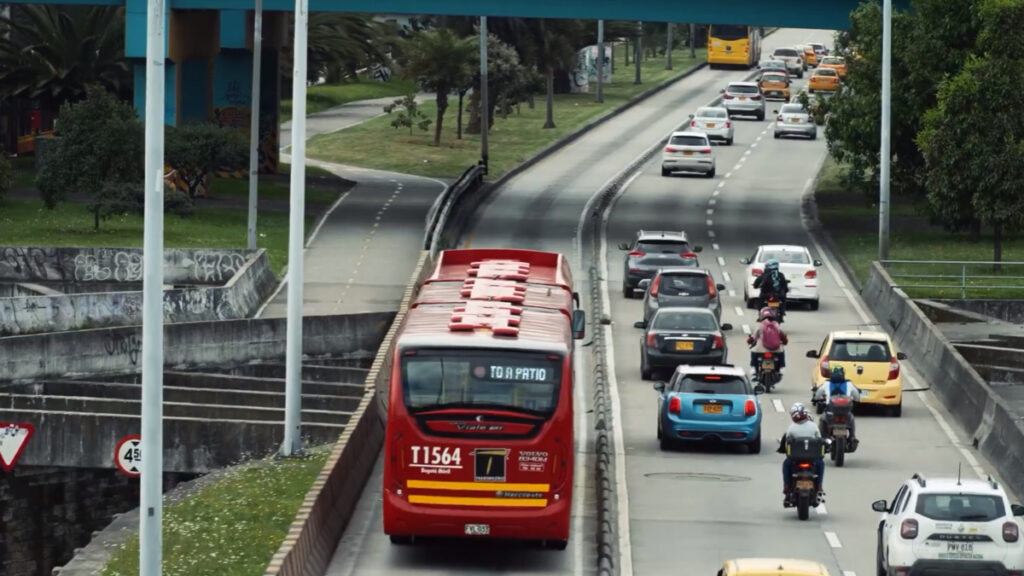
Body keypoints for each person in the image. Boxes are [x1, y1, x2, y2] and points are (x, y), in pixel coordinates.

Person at [777, 403, 825, 501]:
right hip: (813, 458)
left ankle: (786, 485)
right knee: (821, 464)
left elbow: (786, 442)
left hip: (795, 459)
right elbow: (820, 440)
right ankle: (819, 485)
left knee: (786, 464)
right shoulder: (813, 426)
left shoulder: (791, 428)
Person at [813, 366, 862, 449]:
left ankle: (823, 439)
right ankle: (852, 437)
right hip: (846, 412)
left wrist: (815, 398)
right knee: (851, 419)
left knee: (822, 420)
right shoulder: (849, 384)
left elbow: (817, 395)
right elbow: (857, 397)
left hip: (830, 412)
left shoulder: (826, 383)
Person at [747, 307, 788, 376]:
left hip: (761, 349)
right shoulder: (776, 325)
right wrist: (785, 342)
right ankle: (781, 367)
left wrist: (749, 341)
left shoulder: (761, 325)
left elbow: (753, 337)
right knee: (782, 352)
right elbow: (782, 336)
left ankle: (754, 368)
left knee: (753, 352)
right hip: (776, 349)